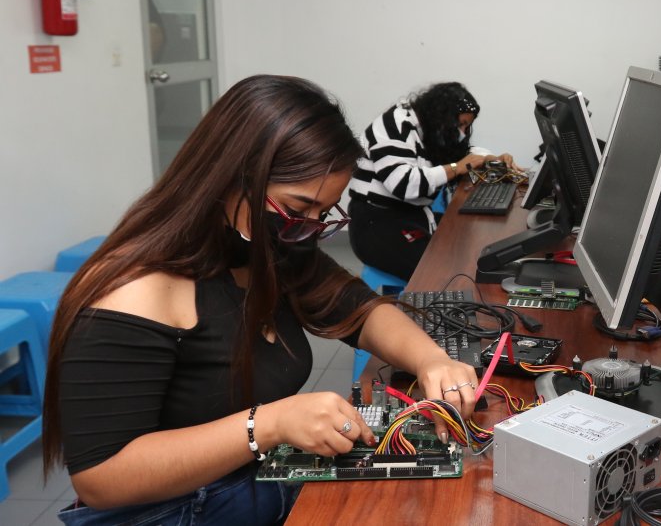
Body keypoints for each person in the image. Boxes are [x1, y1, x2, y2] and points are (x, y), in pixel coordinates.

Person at [43, 75, 480, 525]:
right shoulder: (136, 288)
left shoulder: (269, 247)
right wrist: (267, 425)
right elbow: (101, 477)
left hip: (250, 491)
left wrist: (432, 361)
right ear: (233, 176)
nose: (308, 227)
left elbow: (360, 311)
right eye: (297, 207)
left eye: (323, 214)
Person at [348, 82, 516, 280]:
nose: (462, 133)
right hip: (376, 223)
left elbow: (458, 153)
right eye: (460, 124)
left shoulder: (430, 128)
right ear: (442, 116)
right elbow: (403, 183)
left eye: (467, 126)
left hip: (411, 215)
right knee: (445, 271)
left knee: (472, 247)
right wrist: (457, 168)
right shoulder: (393, 126)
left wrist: (489, 158)